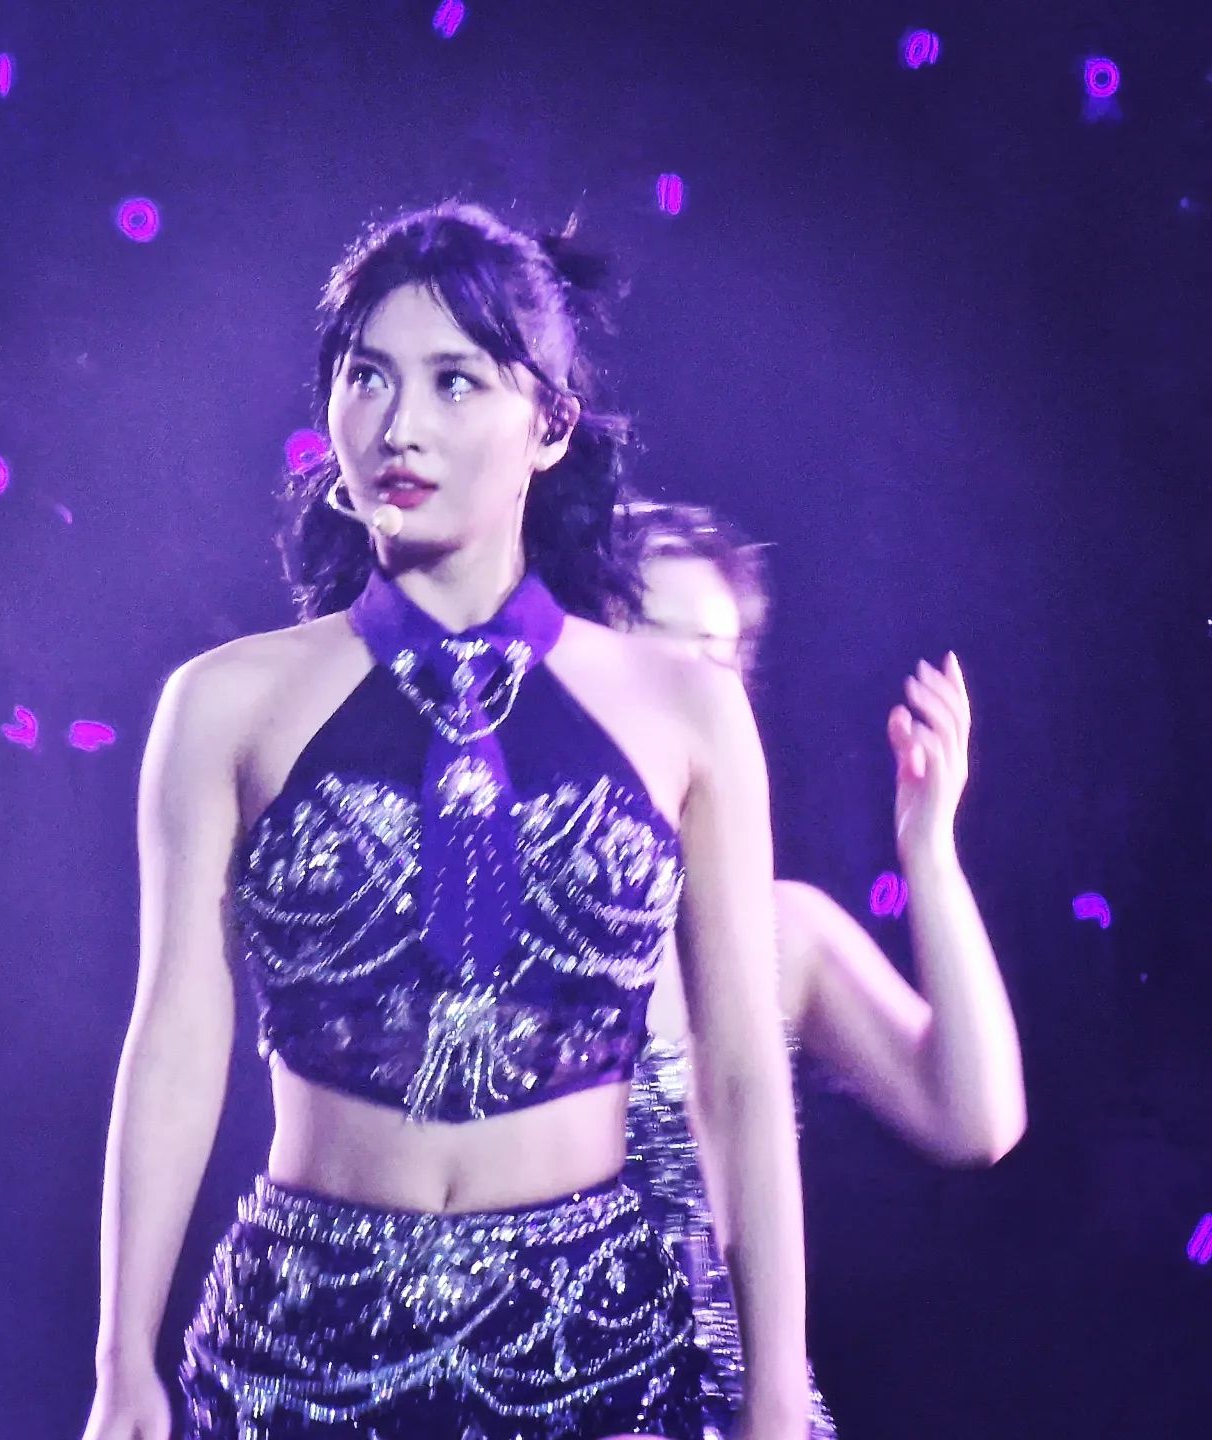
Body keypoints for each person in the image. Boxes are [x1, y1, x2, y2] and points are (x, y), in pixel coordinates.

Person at [80, 206, 811, 1440]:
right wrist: (121, 1364)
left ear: (551, 425)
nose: (397, 425)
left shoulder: (687, 712)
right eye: (366, 376)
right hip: (299, 1354)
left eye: (454, 380)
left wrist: (776, 1387)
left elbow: (738, 1071)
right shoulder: (221, 704)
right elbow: (174, 1040)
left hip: (596, 1355)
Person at [619, 502, 1027, 1437]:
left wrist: (929, 849)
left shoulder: (778, 930)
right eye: (655, 642)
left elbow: (975, 1119)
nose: (695, 686)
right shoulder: (498, 921)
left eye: (718, 657)